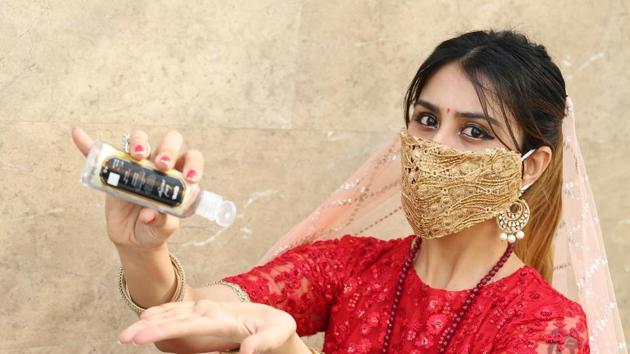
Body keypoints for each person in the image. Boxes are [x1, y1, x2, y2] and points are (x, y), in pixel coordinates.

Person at [71, 30, 621, 353]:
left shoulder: (547, 325)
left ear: (530, 167)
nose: (436, 146)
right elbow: (187, 319)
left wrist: (287, 349)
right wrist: (142, 250)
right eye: (426, 120)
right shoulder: (352, 266)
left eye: (474, 132)